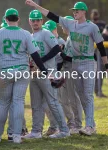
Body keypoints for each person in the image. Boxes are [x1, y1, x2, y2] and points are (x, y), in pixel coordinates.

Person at [25, 0, 108, 136]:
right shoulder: (70, 23)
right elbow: (52, 15)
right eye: (74, 11)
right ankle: (88, 124)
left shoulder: (92, 27)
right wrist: (36, 6)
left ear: (84, 11)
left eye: (77, 10)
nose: (75, 12)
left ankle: (89, 126)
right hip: (76, 63)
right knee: (81, 95)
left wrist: (107, 66)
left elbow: (101, 47)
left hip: (88, 62)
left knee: (88, 95)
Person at [0, 8, 49, 144]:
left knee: (3, 103)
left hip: (5, 71)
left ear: (6, 19)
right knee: (18, 102)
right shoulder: (26, 33)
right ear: (18, 19)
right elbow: (35, 55)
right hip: (22, 71)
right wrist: (44, 70)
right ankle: (16, 135)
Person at [23, 10, 69, 139]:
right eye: (33, 20)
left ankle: (64, 130)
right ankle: (36, 131)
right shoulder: (30, 36)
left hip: (48, 72)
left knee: (53, 102)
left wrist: (40, 61)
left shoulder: (46, 33)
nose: (35, 22)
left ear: (42, 21)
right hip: (35, 73)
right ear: (29, 21)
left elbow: (56, 49)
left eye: (38, 20)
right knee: (36, 103)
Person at [90, 9, 107, 97]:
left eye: (96, 14)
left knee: (101, 71)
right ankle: (95, 90)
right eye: (94, 14)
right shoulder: (89, 24)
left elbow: (106, 34)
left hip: (100, 49)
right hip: (92, 50)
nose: (95, 16)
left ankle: (98, 90)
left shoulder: (102, 24)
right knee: (94, 71)